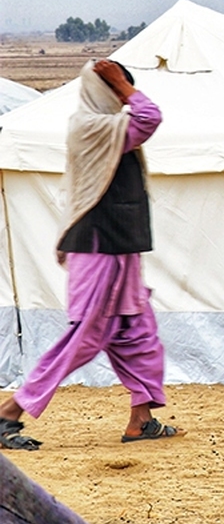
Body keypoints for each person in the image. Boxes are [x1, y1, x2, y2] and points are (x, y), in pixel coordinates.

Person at [0, 59, 180, 450]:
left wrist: (120, 87)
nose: (124, 99)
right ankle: (9, 411)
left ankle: (141, 420)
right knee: (86, 336)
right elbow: (149, 117)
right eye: (117, 91)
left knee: (139, 333)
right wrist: (123, 86)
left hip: (121, 246)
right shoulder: (91, 127)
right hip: (98, 247)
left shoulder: (109, 128)